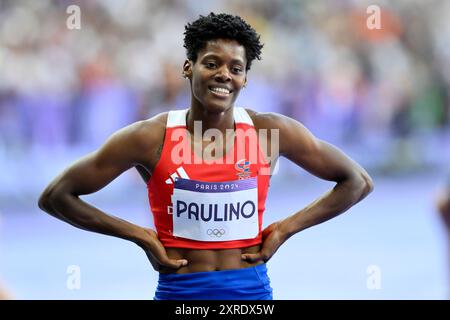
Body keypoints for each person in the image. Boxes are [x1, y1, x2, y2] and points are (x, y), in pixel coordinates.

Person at [38, 12, 373, 300]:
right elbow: (56, 196)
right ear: (189, 67)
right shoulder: (150, 138)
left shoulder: (269, 133)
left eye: (235, 67)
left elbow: (357, 181)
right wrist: (139, 236)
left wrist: (286, 228)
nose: (223, 74)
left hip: (250, 295)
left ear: (245, 78)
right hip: (180, 296)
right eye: (211, 63)